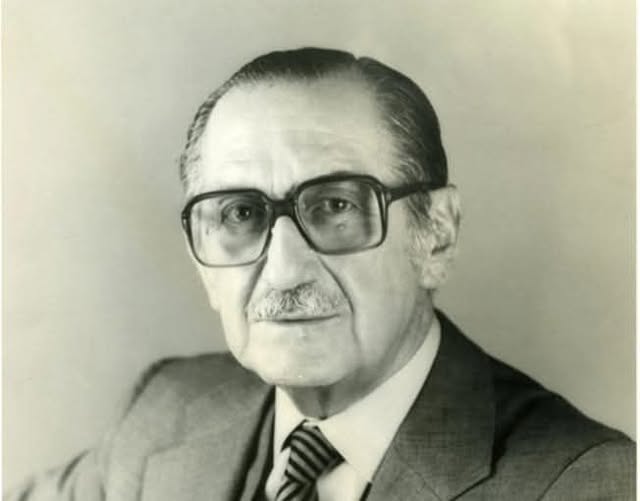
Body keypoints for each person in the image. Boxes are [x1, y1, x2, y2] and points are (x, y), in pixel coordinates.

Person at [7, 47, 635, 501]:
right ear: (202, 261)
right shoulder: (168, 410)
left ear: (436, 233)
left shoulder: (583, 482)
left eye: (336, 207)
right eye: (240, 214)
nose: (284, 272)